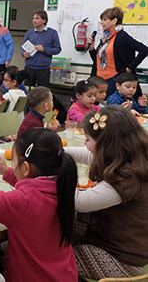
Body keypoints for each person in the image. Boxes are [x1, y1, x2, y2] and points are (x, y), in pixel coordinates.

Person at [0, 128, 78, 282]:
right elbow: (34, 189)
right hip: (63, 275)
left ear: (26, 168)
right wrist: (7, 172)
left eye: (14, 161)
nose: (12, 164)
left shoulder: (23, 202)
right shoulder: (62, 185)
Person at [64, 106, 148, 279]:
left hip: (122, 258)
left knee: (47, 256)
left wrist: (44, 185)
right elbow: (87, 156)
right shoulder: (131, 157)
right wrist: (54, 152)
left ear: (106, 144)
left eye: (87, 140)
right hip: (130, 245)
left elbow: (80, 201)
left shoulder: (125, 177)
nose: (84, 144)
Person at [22, 9, 62, 87]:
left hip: (43, 69)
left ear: (44, 20)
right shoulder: (29, 33)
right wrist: (23, 53)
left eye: (37, 18)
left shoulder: (52, 33)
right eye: (33, 18)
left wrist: (44, 49)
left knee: (43, 92)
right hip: (29, 68)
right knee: (27, 90)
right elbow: (23, 48)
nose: (34, 21)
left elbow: (57, 49)